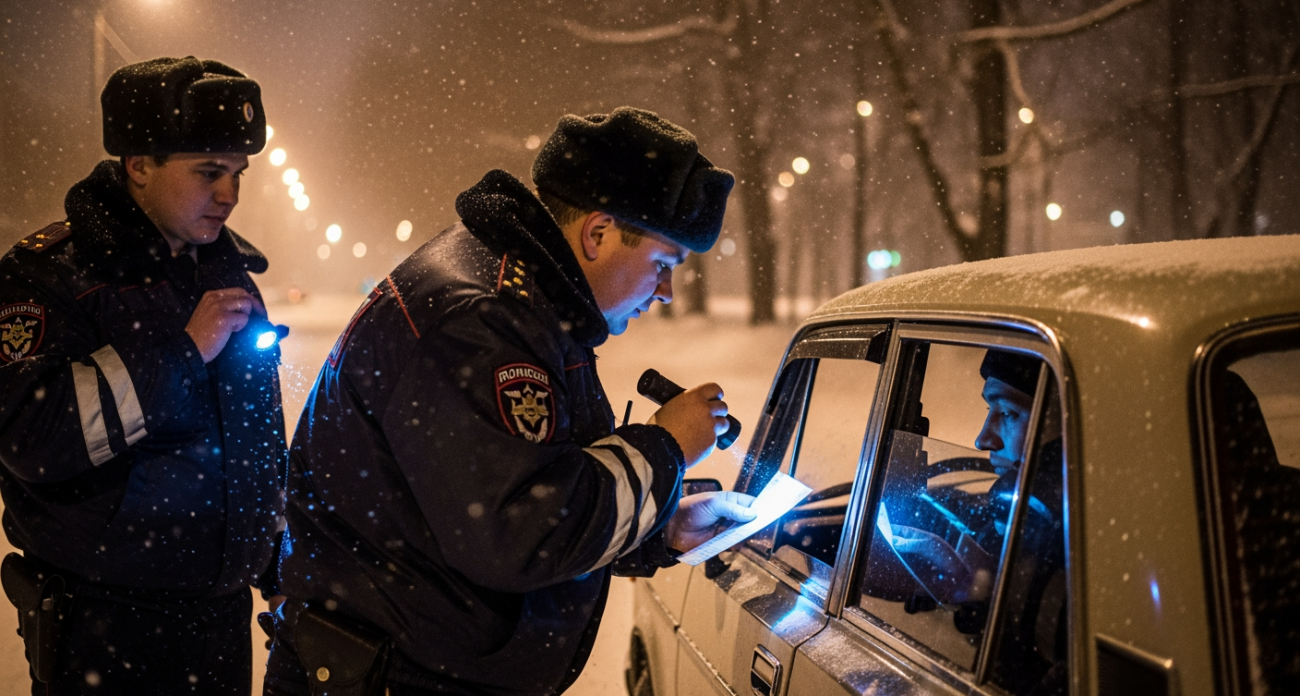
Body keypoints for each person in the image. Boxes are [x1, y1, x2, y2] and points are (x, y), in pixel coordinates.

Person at [263, 107, 756, 696]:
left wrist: (660, 527)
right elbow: (523, 535)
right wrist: (666, 448)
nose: (667, 290)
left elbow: (521, 491)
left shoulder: (529, 303)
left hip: (396, 666)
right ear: (598, 234)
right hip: (389, 676)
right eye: (662, 264)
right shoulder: (483, 319)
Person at [0, 56, 286, 694]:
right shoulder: (52, 275)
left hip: (221, 614)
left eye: (238, 172)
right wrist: (185, 352)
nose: (230, 194)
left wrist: (274, 551)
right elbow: (31, 435)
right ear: (138, 166)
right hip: (107, 626)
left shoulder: (225, 269)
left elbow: (253, 435)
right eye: (209, 172)